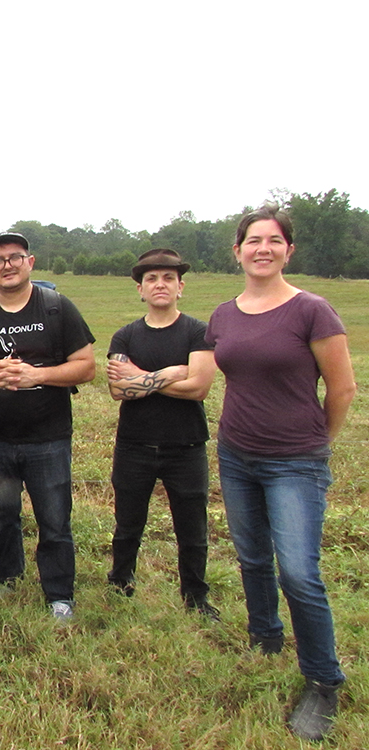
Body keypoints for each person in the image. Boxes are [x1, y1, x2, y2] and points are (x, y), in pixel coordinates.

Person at [206, 204, 356, 741]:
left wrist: (316, 446)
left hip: (296, 461)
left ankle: (322, 681)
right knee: (251, 556)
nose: (262, 248)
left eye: (273, 240)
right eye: (253, 240)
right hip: (236, 453)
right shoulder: (224, 314)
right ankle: (264, 635)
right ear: (238, 250)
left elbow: (341, 389)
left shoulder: (312, 310)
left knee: (299, 572)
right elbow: (214, 373)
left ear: (288, 250)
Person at [0, 232, 95, 621]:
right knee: (0, 517)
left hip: (47, 438)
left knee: (54, 519)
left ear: (29, 262)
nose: (7, 265)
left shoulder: (55, 308)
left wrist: (37, 376)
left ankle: (59, 593)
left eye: (15, 257)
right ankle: (7, 579)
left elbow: (86, 366)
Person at [106, 249, 219, 618]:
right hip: (134, 444)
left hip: (186, 445)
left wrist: (142, 378)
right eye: (152, 279)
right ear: (140, 289)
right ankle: (120, 583)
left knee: (192, 528)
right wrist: (173, 372)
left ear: (180, 287)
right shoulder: (125, 336)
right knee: (127, 523)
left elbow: (199, 387)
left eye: (168, 278)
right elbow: (119, 390)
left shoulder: (198, 331)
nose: (160, 285)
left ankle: (196, 596)